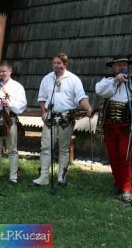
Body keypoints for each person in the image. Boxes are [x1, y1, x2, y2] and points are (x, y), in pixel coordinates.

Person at [32, 53, 93, 187]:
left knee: (64, 148)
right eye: (54, 63)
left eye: (59, 63)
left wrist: (88, 108)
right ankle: (43, 177)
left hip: (66, 117)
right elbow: (42, 98)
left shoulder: (73, 79)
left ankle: (61, 177)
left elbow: (81, 97)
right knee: (46, 147)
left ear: (65, 64)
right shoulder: (47, 79)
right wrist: (44, 112)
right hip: (50, 117)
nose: (56, 65)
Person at [95, 55, 132, 203]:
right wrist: (115, 81)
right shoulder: (107, 80)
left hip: (126, 126)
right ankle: (118, 183)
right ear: (113, 67)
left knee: (125, 157)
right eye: (118, 65)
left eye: (124, 64)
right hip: (109, 126)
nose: (121, 67)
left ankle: (127, 188)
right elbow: (101, 91)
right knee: (113, 156)